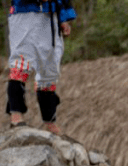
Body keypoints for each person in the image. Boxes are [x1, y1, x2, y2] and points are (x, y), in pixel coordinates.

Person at [6, 0, 76, 133]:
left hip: (50, 17)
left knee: (49, 69)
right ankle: (16, 114)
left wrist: (62, 19)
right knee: (21, 63)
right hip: (25, 15)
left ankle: (50, 120)